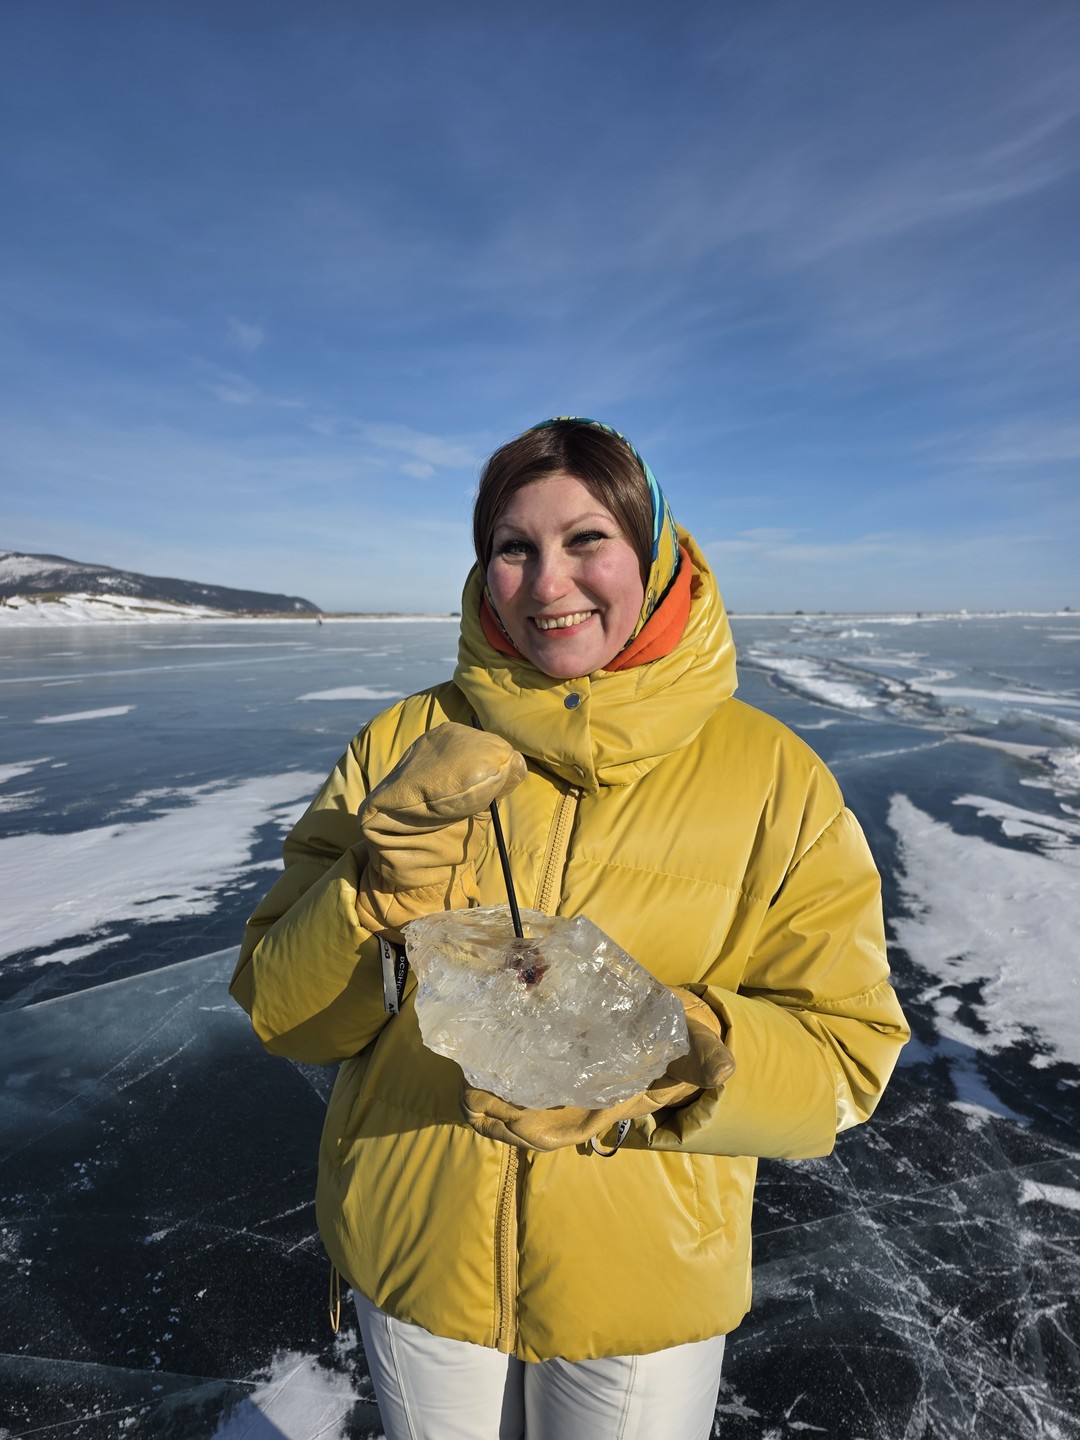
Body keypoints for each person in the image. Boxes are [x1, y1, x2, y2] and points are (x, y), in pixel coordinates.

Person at [230, 417, 909, 1440]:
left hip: (642, 1287)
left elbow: (849, 1058)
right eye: (515, 547)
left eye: (587, 539)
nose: (550, 585)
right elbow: (285, 1015)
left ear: (655, 551)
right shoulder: (402, 743)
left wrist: (681, 1056)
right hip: (418, 1255)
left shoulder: (776, 780)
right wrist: (370, 896)